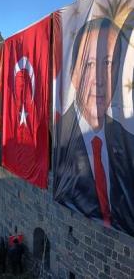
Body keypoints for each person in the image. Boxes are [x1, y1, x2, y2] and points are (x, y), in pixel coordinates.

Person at [55, 17, 134, 236]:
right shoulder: (58, 139)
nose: (99, 79)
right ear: (73, 74)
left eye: (108, 63)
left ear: (118, 71)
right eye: (88, 64)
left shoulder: (128, 142)